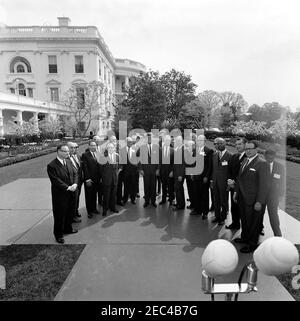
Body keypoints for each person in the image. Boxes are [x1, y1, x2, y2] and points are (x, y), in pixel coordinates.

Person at [233, 140, 270, 253]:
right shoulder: (244, 160)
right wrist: (236, 192)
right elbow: (239, 179)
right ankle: (244, 238)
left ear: (256, 149)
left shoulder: (262, 163)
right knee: (244, 220)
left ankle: (252, 244)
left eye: (250, 149)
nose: (248, 151)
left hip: (253, 200)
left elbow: (265, 185)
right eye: (246, 149)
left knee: (253, 223)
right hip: (242, 198)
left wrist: (260, 201)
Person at [47, 144, 78, 244]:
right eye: (65, 151)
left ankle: (68, 228)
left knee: (70, 213)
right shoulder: (52, 165)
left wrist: (75, 183)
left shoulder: (68, 161)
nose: (68, 153)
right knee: (60, 215)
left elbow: (75, 173)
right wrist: (68, 187)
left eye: (68, 151)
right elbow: (55, 180)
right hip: (60, 195)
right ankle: (58, 235)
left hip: (71, 192)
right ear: (58, 151)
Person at [261, 148, 285, 236]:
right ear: (264, 156)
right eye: (267, 158)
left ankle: (277, 234)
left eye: (271, 158)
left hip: (273, 196)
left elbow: (282, 181)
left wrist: (281, 194)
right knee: (260, 213)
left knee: (273, 214)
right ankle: (260, 228)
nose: (269, 160)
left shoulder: (280, 167)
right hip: (261, 195)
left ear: (274, 157)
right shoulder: (261, 165)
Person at [190, 135, 213, 220]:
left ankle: (205, 212)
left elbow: (210, 166)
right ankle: (197, 210)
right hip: (196, 176)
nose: (199, 141)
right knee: (196, 194)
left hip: (204, 177)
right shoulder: (195, 150)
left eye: (201, 140)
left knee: (204, 195)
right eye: (198, 140)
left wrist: (207, 176)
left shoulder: (209, 151)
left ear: (205, 141)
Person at [226, 137, 247, 230]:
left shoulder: (248, 157)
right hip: (233, 187)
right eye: (236, 144)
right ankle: (235, 224)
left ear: (245, 145)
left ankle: (249, 229)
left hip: (243, 189)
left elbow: (245, 174)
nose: (237, 146)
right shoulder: (234, 157)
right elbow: (229, 170)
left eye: (240, 144)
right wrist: (229, 180)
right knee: (234, 207)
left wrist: (234, 181)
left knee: (243, 209)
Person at [211, 138, 232, 225]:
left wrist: (229, 183)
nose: (219, 145)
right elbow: (213, 169)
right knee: (216, 200)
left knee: (223, 201)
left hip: (224, 183)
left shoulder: (230, 156)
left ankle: (223, 218)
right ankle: (217, 216)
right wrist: (212, 181)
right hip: (215, 182)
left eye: (221, 143)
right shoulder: (215, 155)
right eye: (218, 143)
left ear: (225, 144)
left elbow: (230, 171)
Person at [138, 133, 160, 208]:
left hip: (154, 170)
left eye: (150, 138)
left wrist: (158, 169)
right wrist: (140, 169)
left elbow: (158, 159)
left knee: (153, 186)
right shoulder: (142, 147)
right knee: (146, 186)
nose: (149, 139)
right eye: (148, 138)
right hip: (145, 170)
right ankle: (147, 201)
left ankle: (153, 201)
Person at [99, 143, 120, 216]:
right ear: (107, 149)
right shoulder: (102, 157)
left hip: (114, 179)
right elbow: (100, 170)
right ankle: (105, 210)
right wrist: (102, 178)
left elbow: (119, 166)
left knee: (113, 195)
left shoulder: (117, 156)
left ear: (114, 148)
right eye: (109, 148)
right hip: (106, 180)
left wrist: (118, 171)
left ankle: (113, 208)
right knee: (106, 196)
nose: (111, 149)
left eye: (112, 147)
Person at [81, 140, 101, 218]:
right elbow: (85, 168)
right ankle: (89, 212)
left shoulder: (98, 154)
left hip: (97, 179)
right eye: (91, 145)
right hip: (89, 179)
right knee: (89, 195)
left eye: (94, 145)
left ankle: (94, 209)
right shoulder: (85, 155)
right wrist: (87, 179)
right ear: (89, 146)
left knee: (94, 194)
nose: (93, 147)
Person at [67, 142, 83, 223]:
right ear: (67, 148)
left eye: (75, 147)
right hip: (72, 183)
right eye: (71, 147)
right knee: (72, 200)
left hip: (79, 181)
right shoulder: (66, 158)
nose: (74, 149)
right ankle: (72, 216)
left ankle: (75, 212)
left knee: (77, 198)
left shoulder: (78, 156)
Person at [122, 137, 139, 204]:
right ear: (126, 142)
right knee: (126, 186)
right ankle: (125, 199)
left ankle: (133, 199)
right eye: (128, 142)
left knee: (133, 186)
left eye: (130, 142)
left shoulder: (135, 149)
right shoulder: (122, 150)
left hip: (133, 171)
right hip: (125, 171)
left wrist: (137, 166)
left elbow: (138, 159)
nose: (129, 143)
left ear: (132, 142)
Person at [159, 134, 174, 205]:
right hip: (162, 171)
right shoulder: (160, 149)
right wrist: (159, 170)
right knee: (163, 186)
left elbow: (174, 163)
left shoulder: (173, 150)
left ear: (170, 141)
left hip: (169, 172)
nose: (167, 142)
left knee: (170, 186)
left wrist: (172, 171)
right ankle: (163, 200)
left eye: (168, 140)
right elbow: (159, 161)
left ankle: (171, 200)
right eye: (165, 140)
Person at [172, 135, 186, 210]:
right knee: (177, 189)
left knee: (179, 188)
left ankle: (181, 205)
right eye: (176, 141)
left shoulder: (184, 150)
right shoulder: (177, 149)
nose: (177, 142)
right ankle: (179, 203)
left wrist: (181, 175)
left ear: (182, 142)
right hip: (176, 173)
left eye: (178, 141)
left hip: (180, 174)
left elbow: (184, 164)